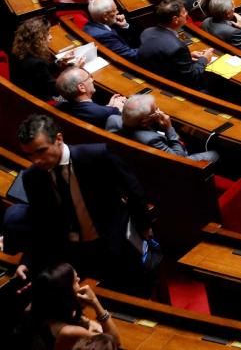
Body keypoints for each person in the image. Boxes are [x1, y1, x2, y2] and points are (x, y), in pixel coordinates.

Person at [16, 114, 153, 291]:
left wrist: (144, 225)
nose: (36, 160)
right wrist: (28, 259)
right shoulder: (31, 177)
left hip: (114, 243)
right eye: (29, 154)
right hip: (73, 254)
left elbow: (133, 188)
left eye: (41, 150)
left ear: (59, 138)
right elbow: (40, 222)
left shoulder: (97, 155)